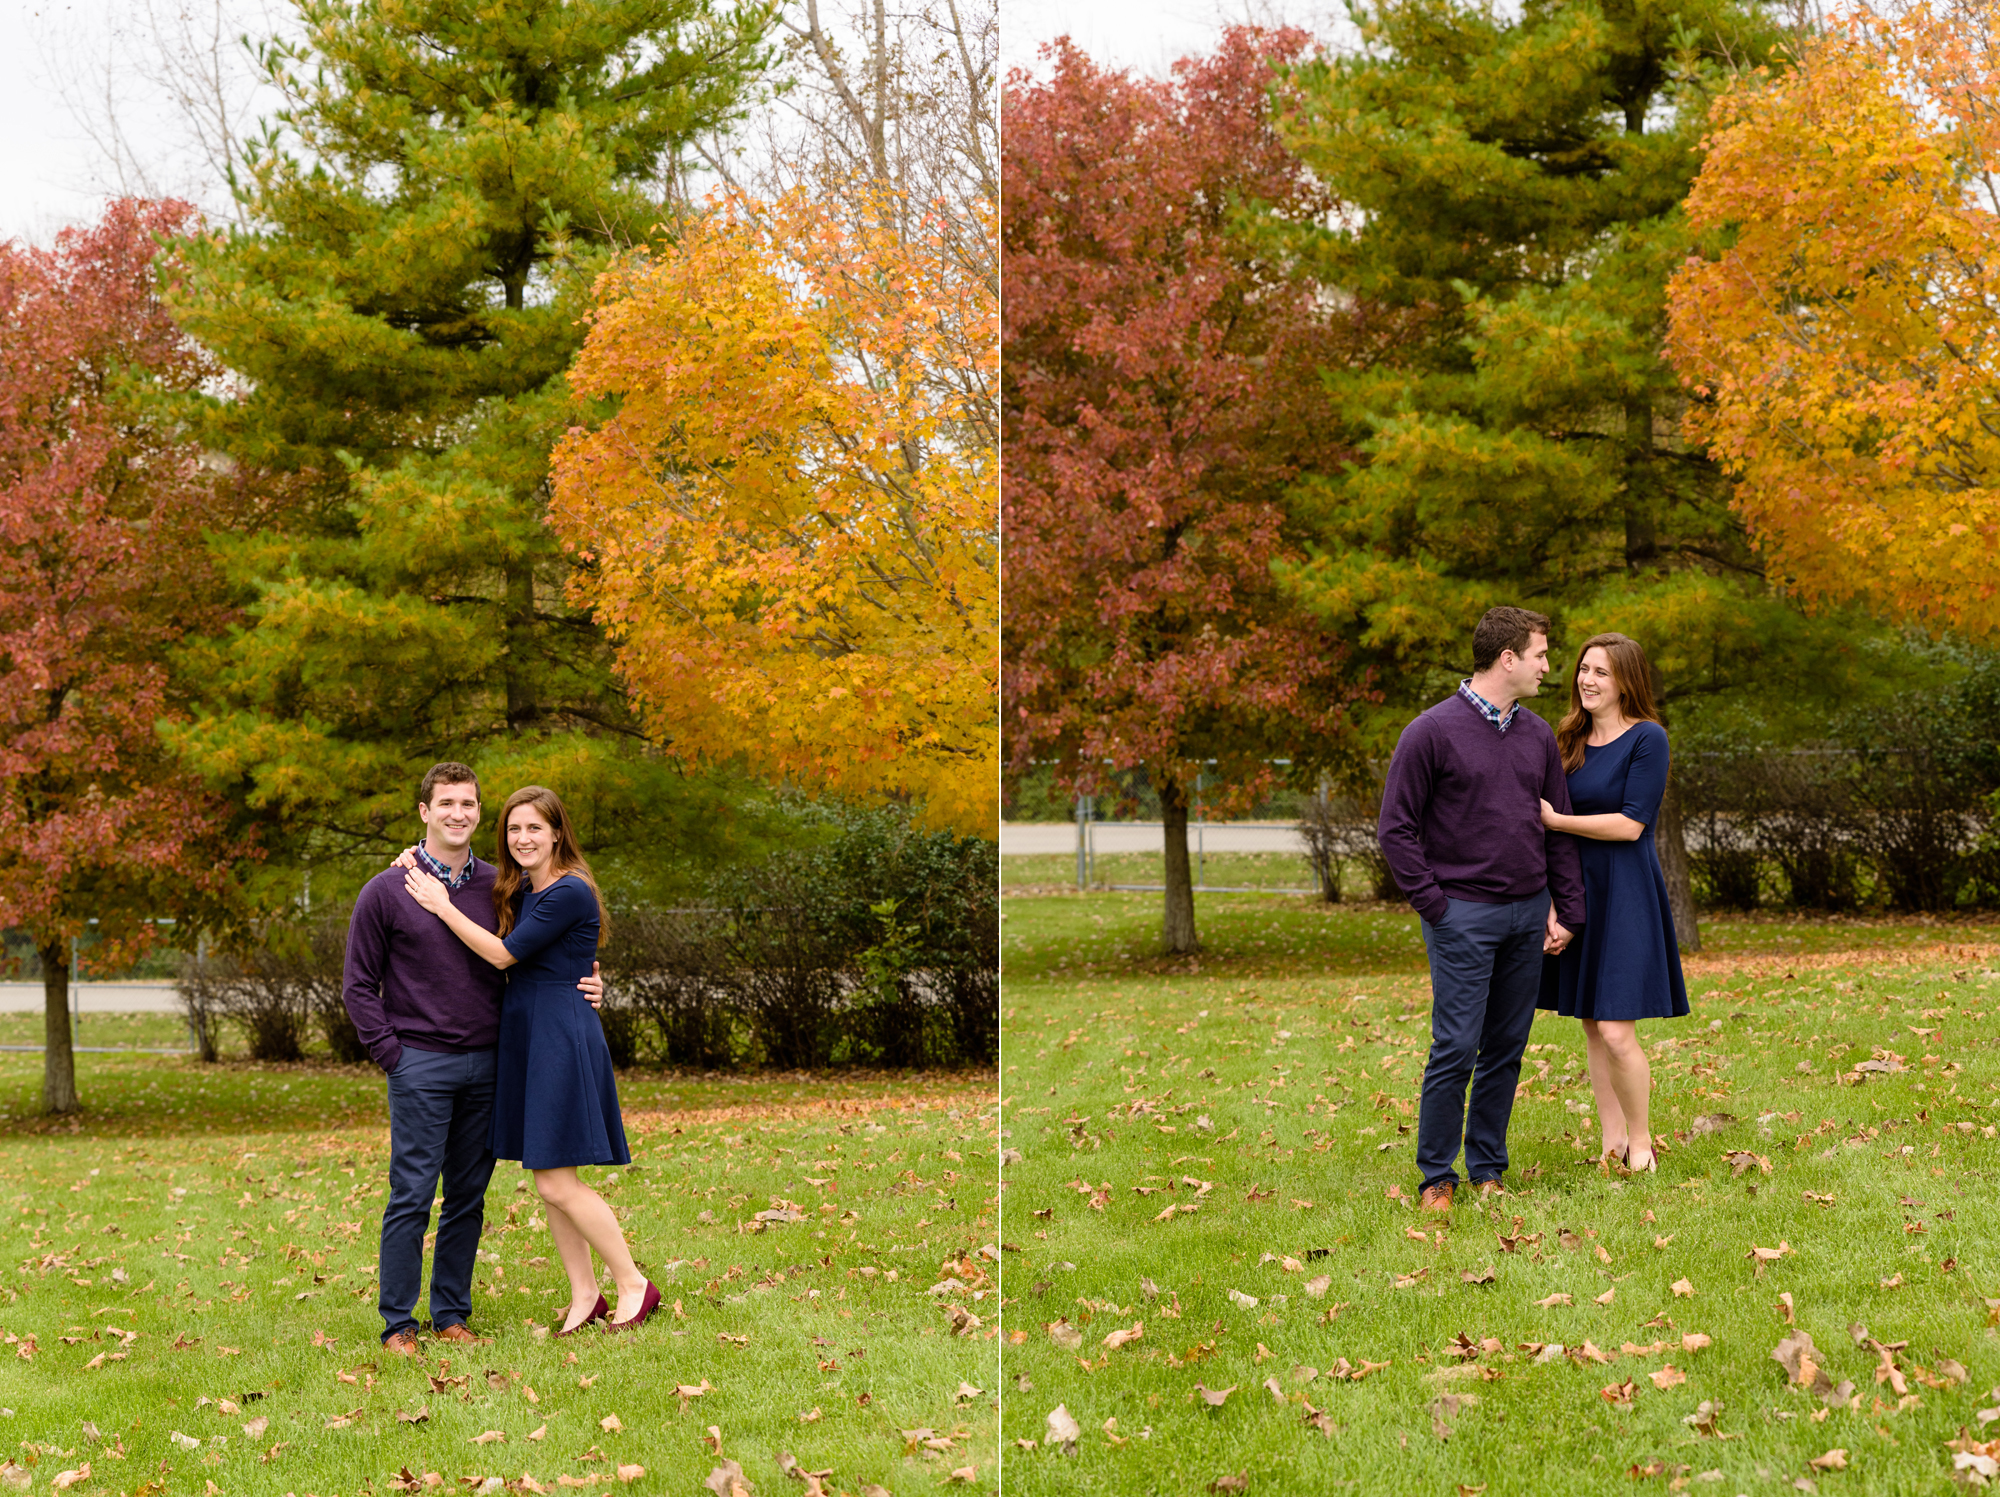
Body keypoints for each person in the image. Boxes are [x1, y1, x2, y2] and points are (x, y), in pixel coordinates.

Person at [342, 763, 606, 1356]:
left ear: (478, 813)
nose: (458, 813)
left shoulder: (502, 887)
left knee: (468, 1196)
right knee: (411, 1193)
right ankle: (397, 1325)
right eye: (446, 803)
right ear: (424, 812)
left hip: (491, 1064)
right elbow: (358, 986)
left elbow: (544, 947)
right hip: (420, 1064)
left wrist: (589, 982)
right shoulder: (387, 889)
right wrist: (392, 1055)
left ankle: (451, 1314)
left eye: (468, 804)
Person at [402, 784, 660, 1335]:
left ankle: (634, 1283)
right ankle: (584, 1295)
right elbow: (460, 870)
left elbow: (501, 954)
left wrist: (441, 906)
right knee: (548, 1172)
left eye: (534, 829)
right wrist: (412, 859)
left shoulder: (569, 891)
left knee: (554, 1181)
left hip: (559, 1036)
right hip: (526, 1033)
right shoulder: (522, 888)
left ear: (557, 833)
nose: (522, 839)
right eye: (513, 829)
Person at [1378, 607, 1588, 1212]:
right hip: (1462, 916)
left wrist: (1565, 909)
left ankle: (1488, 1169)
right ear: (1508, 658)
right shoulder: (1431, 731)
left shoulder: (1538, 735)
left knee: (1506, 1046)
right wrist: (1438, 908)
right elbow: (1397, 830)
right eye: (1542, 655)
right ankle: (1436, 1178)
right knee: (1456, 1045)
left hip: (1528, 916)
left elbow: (1557, 830)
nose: (1551, 667)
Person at [1537, 633, 1689, 1173]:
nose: (1587, 680)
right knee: (1590, 1024)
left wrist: (1557, 819)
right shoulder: (1566, 742)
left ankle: (1642, 1144)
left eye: (1601, 671)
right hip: (1577, 893)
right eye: (1583, 669)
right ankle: (1611, 1142)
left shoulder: (1648, 739)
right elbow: (1549, 841)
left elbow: (1630, 824)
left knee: (1617, 1028)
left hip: (1625, 893)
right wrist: (1556, 904)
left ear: (1626, 680)